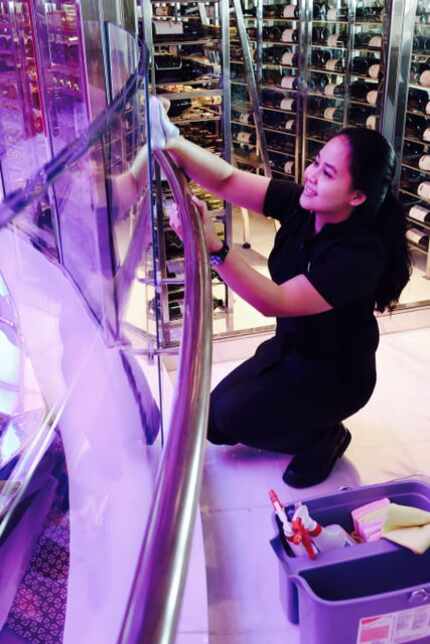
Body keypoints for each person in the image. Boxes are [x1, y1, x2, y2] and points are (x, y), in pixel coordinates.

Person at [130, 97, 412, 488]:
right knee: (214, 423)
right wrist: (173, 141)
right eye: (316, 162)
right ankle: (298, 418)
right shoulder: (305, 203)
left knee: (233, 419)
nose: (311, 175)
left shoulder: (359, 254)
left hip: (335, 375)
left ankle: (324, 435)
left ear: (357, 196)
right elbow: (227, 180)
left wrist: (216, 249)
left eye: (327, 173)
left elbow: (273, 301)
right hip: (290, 351)